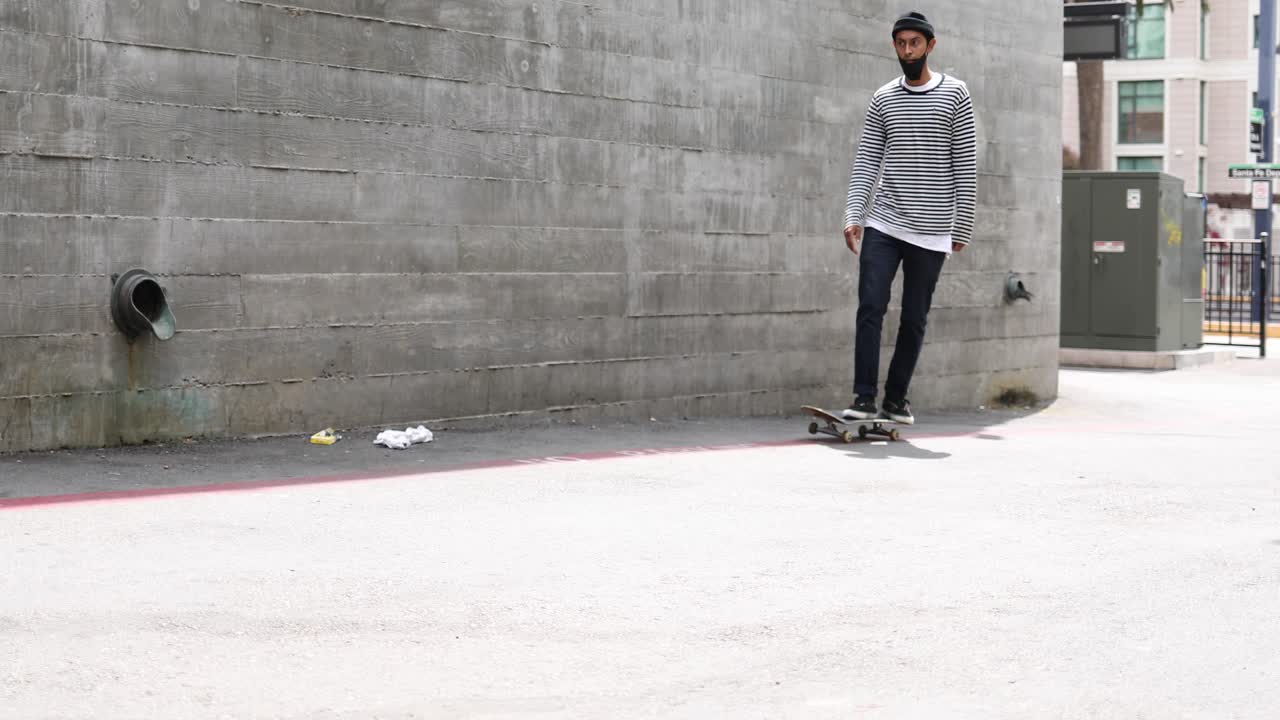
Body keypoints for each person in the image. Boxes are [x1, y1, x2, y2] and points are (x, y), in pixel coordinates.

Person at [840, 10, 977, 425]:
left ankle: (896, 399)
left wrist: (962, 225)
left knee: (914, 319)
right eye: (900, 43)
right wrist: (854, 214)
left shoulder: (956, 94)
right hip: (885, 220)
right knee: (870, 306)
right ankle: (864, 397)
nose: (907, 50)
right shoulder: (883, 98)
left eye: (914, 43)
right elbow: (867, 161)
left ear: (930, 46)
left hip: (933, 229)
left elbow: (965, 164)